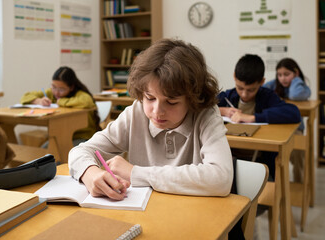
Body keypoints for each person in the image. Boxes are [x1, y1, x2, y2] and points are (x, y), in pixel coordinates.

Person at [68, 38, 233, 201]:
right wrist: (90, 173)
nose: (157, 111)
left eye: (171, 102)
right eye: (150, 98)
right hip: (145, 215)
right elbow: (80, 151)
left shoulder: (206, 115)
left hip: (195, 216)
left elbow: (221, 179)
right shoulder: (136, 112)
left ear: (192, 99)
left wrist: (136, 173)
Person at [217, 54, 301, 179]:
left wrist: (253, 118)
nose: (244, 94)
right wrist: (221, 110)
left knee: (265, 189)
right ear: (234, 76)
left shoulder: (267, 96)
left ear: (262, 82)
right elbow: (199, 109)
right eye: (240, 88)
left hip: (261, 163)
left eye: (251, 90)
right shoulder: (227, 97)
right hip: (231, 163)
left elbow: (294, 113)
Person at [21, 66, 101, 146]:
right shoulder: (51, 93)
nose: (56, 93)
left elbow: (87, 101)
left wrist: (61, 101)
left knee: (54, 151)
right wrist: (38, 101)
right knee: (44, 149)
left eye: (61, 89)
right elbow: (25, 97)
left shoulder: (80, 94)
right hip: (61, 135)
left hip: (83, 136)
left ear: (71, 87)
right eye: (53, 87)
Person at [263, 58, 311, 182]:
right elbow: (261, 92)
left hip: (295, 130)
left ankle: (298, 185)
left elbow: (295, 95)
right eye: (279, 75)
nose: (283, 78)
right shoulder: (272, 85)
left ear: (296, 73)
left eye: (287, 74)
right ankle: (275, 185)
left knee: (299, 155)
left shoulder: (302, 88)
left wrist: (295, 80)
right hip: (275, 128)